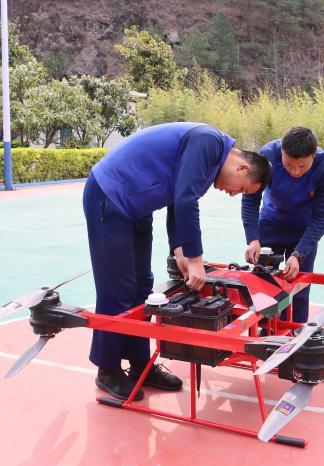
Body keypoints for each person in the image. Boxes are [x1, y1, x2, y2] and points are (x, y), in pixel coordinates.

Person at [84, 122, 271, 401]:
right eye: (241, 190)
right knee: (117, 289)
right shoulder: (209, 142)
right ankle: (107, 369)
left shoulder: (212, 157)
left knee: (142, 287)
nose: (233, 194)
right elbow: (185, 199)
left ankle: (140, 365)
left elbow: (177, 197)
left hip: (135, 205)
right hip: (110, 195)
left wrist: (180, 249)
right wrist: (195, 260)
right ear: (242, 167)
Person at [241, 127, 324, 323]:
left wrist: (299, 253)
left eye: (302, 166)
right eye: (288, 164)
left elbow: (322, 216)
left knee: (299, 286)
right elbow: (250, 199)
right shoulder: (267, 156)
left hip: (304, 230)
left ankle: (295, 332)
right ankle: (263, 330)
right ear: (281, 153)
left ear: (313, 155)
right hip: (270, 223)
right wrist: (252, 239)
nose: (295, 171)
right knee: (263, 283)